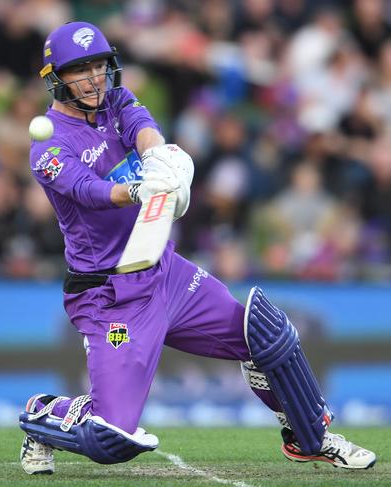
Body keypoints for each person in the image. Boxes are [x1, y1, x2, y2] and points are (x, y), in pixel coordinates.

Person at [19, 21, 376, 474]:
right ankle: (40, 414)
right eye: (80, 70)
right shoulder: (47, 145)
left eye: (99, 66)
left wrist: (157, 160)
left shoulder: (116, 101)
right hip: (112, 297)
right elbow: (87, 190)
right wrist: (137, 192)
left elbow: (142, 127)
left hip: (166, 272)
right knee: (109, 436)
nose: (94, 79)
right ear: (56, 77)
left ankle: (313, 437)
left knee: (265, 336)